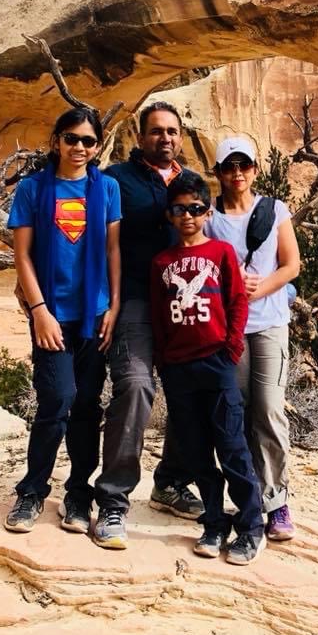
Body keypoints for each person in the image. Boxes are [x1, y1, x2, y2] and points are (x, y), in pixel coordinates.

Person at [4, 107, 121, 534]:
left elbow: (113, 251)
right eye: (72, 138)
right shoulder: (34, 189)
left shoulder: (106, 188)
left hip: (93, 315)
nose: (79, 148)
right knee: (57, 398)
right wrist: (39, 312)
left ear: (97, 146)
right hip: (52, 314)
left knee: (88, 406)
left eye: (88, 141)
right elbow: (22, 255)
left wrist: (114, 307)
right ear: (57, 140)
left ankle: (77, 493)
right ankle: (32, 491)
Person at [92, 101, 203, 549]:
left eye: (173, 132)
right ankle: (114, 500)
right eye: (156, 131)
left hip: (183, 300)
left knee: (193, 391)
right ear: (139, 137)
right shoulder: (116, 180)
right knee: (136, 386)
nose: (166, 139)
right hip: (135, 299)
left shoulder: (188, 182)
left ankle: (171, 482)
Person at [151, 172, 266, 565]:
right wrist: (164, 363)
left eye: (196, 208)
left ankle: (251, 525)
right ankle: (214, 520)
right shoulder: (162, 262)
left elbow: (236, 302)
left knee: (232, 447)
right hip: (179, 370)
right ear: (170, 214)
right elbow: (157, 316)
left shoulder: (220, 253)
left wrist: (231, 349)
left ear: (207, 211)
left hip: (216, 363)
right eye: (180, 209)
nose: (188, 216)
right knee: (197, 452)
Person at [206, 136, 300, 541]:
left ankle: (277, 502)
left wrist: (256, 290)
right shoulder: (208, 217)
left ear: (255, 170)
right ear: (219, 173)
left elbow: (291, 264)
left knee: (269, 409)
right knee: (238, 414)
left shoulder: (274, 209)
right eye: (229, 166)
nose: (237, 173)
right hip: (229, 329)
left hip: (269, 323)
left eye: (244, 165)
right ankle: (249, 498)